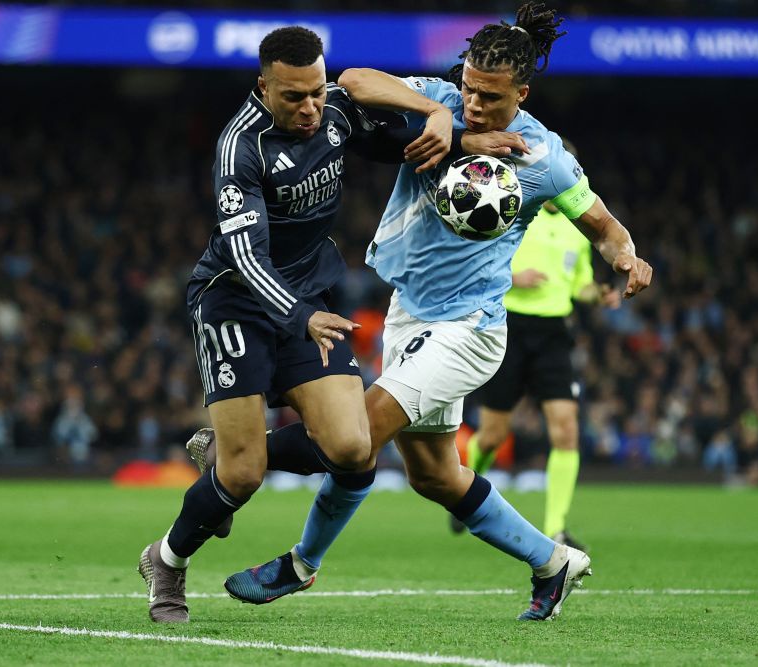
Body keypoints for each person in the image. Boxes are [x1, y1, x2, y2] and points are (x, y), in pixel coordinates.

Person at [191, 3, 653, 622]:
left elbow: (602, 225)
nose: (474, 104)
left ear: (522, 93)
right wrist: (436, 112)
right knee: (436, 476)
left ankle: (292, 549)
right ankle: (553, 563)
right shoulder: (440, 100)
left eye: (490, 96)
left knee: (357, 435)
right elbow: (353, 80)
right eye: (469, 87)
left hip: (469, 328)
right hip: (409, 312)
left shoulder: (544, 158)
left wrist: (626, 256)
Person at [138, 26, 527, 623]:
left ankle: (217, 452)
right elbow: (245, 255)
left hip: (309, 299)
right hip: (236, 302)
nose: (311, 108)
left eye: (318, 92)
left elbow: (395, 141)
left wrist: (463, 138)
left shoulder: (336, 113)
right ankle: (167, 561)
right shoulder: (240, 148)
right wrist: (300, 315)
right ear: (264, 87)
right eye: (294, 97)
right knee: (242, 475)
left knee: (351, 447)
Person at [454, 163, 622, 548]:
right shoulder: (511, 212)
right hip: (509, 327)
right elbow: (477, 265)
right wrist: (515, 278)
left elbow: (579, 286)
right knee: (493, 435)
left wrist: (598, 294)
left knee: (566, 430)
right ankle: (465, 486)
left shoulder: (577, 231)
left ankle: (555, 529)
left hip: (553, 334)